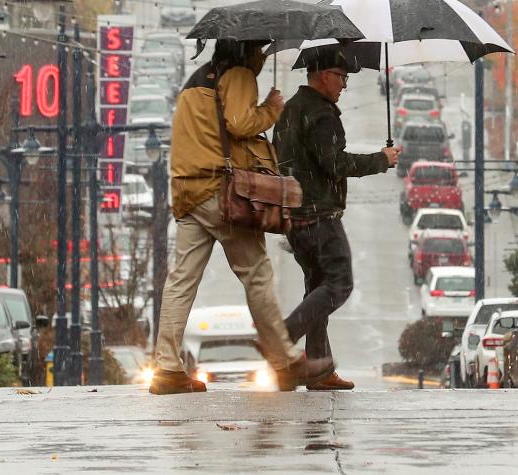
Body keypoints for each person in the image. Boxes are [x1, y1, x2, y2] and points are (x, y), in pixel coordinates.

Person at [149, 39, 333, 395]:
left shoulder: (197, 81)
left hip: (188, 190)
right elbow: (239, 122)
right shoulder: (238, 74)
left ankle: (167, 367)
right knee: (258, 273)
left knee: (181, 280)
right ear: (246, 51)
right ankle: (286, 362)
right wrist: (270, 109)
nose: (263, 58)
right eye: (260, 51)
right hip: (220, 192)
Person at [275, 45, 399, 391]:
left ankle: (316, 368)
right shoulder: (322, 113)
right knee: (339, 284)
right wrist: (382, 159)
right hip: (319, 215)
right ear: (324, 75)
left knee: (317, 287)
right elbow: (335, 164)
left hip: (295, 216)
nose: (344, 85)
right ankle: (283, 337)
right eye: (342, 77)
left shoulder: (289, 109)